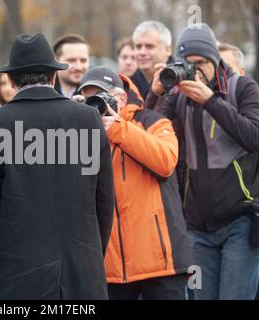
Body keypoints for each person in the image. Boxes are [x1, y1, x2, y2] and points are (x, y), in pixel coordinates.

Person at [0, 33, 114, 300]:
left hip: (16, 274)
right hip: (81, 271)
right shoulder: (88, 118)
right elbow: (104, 199)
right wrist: (91, 255)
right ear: (53, 77)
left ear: (13, 80)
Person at [146, 23, 259, 300]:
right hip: (196, 227)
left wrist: (211, 101)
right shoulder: (178, 97)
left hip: (241, 220)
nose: (195, 71)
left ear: (215, 59)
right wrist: (156, 93)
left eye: (201, 63)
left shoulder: (242, 87)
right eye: (187, 64)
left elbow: (253, 137)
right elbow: (148, 136)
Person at [74, 67, 191, 300]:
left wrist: (117, 127)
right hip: (109, 268)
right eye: (88, 99)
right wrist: (71, 118)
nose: (96, 104)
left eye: (100, 96)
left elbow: (166, 161)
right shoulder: (80, 135)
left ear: (121, 97)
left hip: (160, 264)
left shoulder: (154, 122)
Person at [219, 43, 259, 300]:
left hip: (256, 221)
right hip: (213, 225)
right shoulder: (200, 112)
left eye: (225, 68)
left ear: (240, 72)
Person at [131, 21, 173, 100]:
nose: (142, 52)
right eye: (138, 46)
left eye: (149, 46)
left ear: (168, 50)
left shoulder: (182, 84)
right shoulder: (127, 86)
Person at [53, 34, 90, 98]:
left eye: (83, 60)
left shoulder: (96, 93)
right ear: (56, 61)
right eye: (71, 60)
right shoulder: (42, 91)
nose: (79, 67)